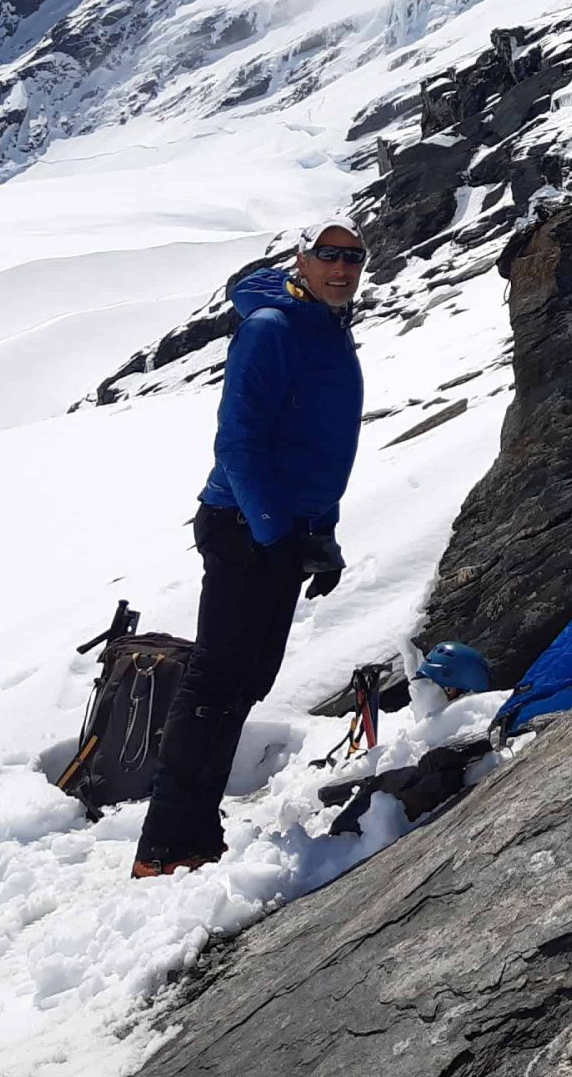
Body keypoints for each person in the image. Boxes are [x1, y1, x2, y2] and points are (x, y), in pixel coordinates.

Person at [134, 219, 367, 876]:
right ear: (301, 257)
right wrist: (274, 535)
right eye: (328, 255)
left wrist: (321, 534)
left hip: (282, 530)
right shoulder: (272, 329)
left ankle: (195, 833)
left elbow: (316, 445)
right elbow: (239, 443)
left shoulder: (323, 325)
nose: (342, 268)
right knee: (216, 680)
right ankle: (165, 846)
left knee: (244, 681)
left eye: (353, 256)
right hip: (245, 527)